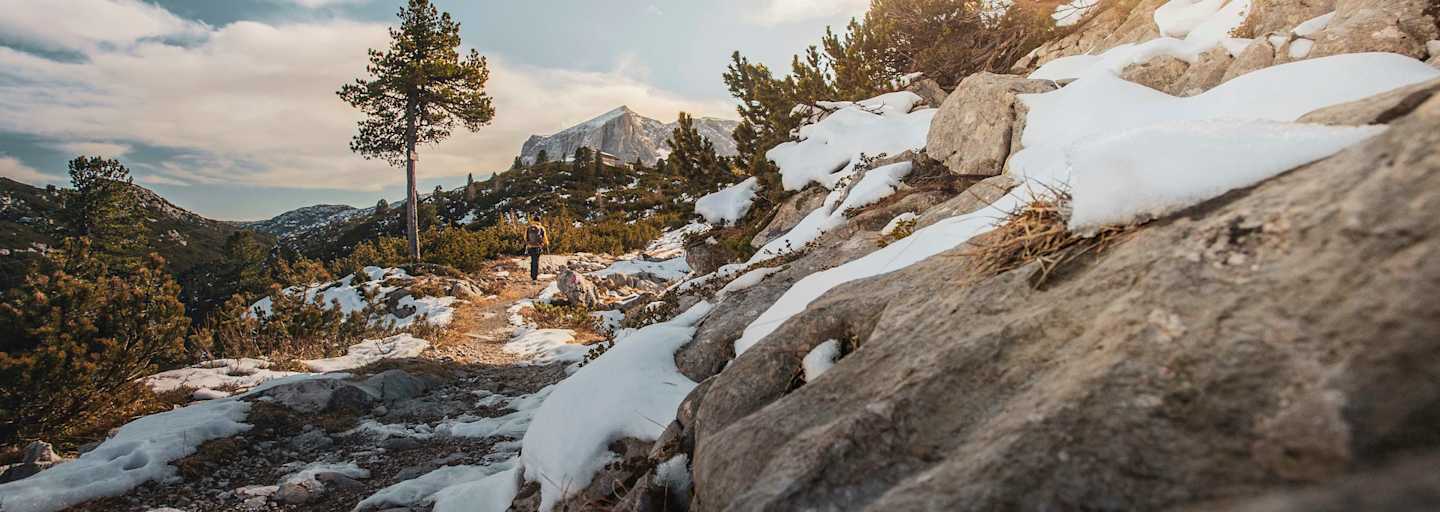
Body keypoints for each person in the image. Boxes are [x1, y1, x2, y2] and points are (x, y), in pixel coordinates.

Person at [525, 214, 549, 281]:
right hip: (538, 247)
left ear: (533, 220)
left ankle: (532, 275)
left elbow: (525, 237)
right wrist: (546, 243)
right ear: (539, 220)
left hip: (530, 247)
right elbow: (544, 237)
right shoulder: (541, 228)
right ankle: (534, 277)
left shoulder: (529, 227)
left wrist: (528, 244)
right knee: (536, 261)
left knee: (533, 261)